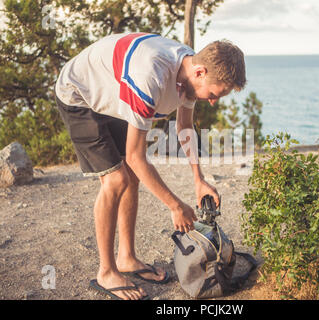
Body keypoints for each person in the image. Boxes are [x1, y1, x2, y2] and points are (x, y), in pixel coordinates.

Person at [55, 32, 246, 300]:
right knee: (117, 179)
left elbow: (185, 127)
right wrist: (175, 206)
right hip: (79, 92)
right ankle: (106, 272)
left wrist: (198, 179)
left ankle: (127, 258)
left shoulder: (190, 71)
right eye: (215, 94)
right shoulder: (152, 77)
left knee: (132, 178)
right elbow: (135, 156)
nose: (213, 101)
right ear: (200, 72)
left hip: (114, 93)